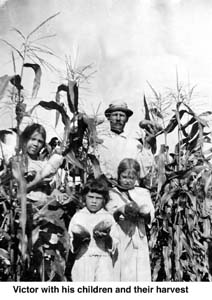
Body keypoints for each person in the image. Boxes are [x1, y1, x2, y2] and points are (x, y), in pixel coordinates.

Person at [106, 158, 155, 281]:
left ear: (137, 178)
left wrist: (144, 213)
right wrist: (120, 210)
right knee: (122, 267)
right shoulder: (112, 193)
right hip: (121, 234)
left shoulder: (143, 193)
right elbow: (109, 214)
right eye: (124, 177)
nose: (128, 181)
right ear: (118, 175)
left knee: (138, 267)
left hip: (138, 235)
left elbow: (150, 216)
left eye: (132, 178)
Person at [68, 176, 118, 281]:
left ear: (104, 200)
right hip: (83, 258)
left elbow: (114, 244)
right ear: (84, 197)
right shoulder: (78, 216)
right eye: (91, 197)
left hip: (103, 260)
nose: (94, 201)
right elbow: (72, 246)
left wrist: (106, 238)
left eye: (98, 198)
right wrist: (79, 239)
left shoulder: (108, 217)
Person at [93, 100, 154, 181]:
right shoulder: (99, 141)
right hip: (106, 187)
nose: (118, 118)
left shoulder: (134, 144)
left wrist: (147, 146)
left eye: (122, 115)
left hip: (129, 188)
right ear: (109, 118)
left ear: (127, 119)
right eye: (115, 115)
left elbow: (142, 171)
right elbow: (94, 166)